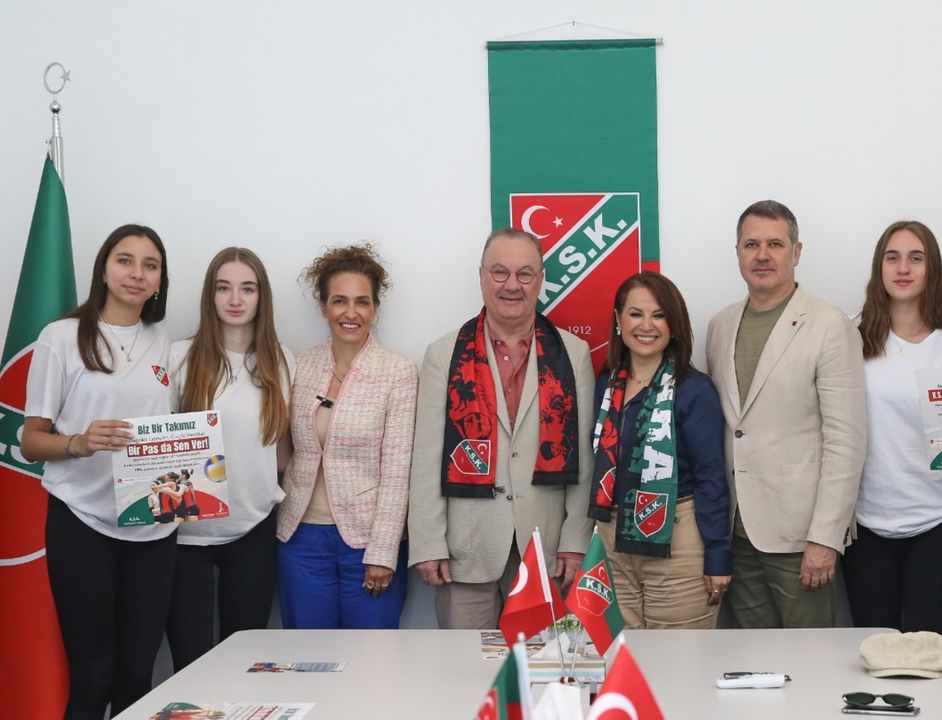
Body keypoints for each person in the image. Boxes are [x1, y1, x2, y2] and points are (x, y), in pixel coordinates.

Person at [20, 224, 174, 719]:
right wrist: (79, 443)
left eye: (150, 265)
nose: (137, 273)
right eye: (125, 260)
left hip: (152, 527)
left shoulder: (163, 343)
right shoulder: (61, 337)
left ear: (159, 281)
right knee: (92, 675)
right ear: (104, 270)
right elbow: (30, 441)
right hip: (82, 522)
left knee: (137, 675)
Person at [409, 228, 594, 629]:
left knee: (540, 662)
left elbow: (583, 456)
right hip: (465, 551)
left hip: (544, 550)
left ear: (540, 280)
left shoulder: (573, 354)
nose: (512, 285)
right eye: (499, 272)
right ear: (481, 276)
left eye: (525, 274)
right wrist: (427, 543)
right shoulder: (444, 354)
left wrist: (575, 540)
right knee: (464, 665)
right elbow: (426, 457)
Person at [704, 200, 866, 629]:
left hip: (801, 537)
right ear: (737, 252)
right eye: (751, 244)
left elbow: (847, 441)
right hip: (736, 530)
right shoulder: (719, 326)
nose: (762, 255)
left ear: (797, 252)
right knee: (753, 659)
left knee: (808, 659)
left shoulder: (830, 325)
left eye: (775, 244)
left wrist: (825, 538)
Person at [843, 219, 942, 638]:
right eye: (893, 258)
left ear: (931, 268)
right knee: (872, 652)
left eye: (915, 258)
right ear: (878, 267)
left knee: (927, 657)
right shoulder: (850, 339)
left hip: (939, 521)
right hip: (865, 523)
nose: (903, 268)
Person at [166, 247, 295, 670]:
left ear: (262, 297)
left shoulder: (281, 360)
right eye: (224, 288)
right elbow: (160, 447)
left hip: (252, 526)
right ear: (210, 295)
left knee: (244, 663)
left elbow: (280, 451)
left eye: (247, 289)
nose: (235, 299)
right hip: (185, 533)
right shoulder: (179, 356)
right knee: (190, 662)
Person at [276, 243, 416, 628]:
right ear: (323, 306)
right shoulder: (297, 364)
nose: (350, 313)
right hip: (300, 538)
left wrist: (383, 552)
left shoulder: (398, 372)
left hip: (368, 543)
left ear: (375, 308)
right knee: (307, 655)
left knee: (372, 656)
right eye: (339, 301)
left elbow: (398, 470)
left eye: (362, 302)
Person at [588, 271, 732, 628]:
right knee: (619, 653)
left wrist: (718, 556)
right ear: (619, 320)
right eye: (636, 314)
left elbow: (711, 477)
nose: (646, 326)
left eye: (659, 315)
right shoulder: (606, 382)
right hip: (612, 542)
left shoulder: (694, 390)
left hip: (677, 544)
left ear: (674, 324)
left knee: (675, 657)